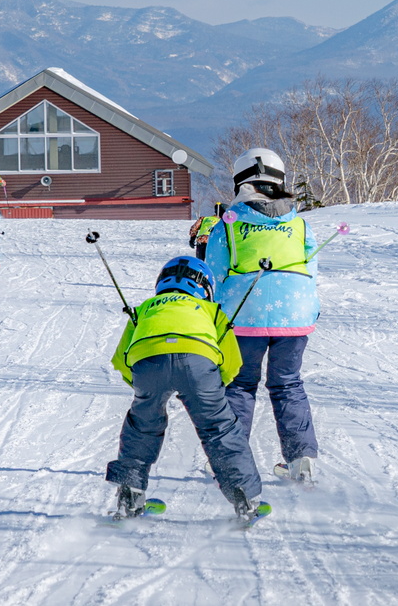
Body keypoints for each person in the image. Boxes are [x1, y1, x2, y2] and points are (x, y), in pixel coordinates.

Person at [105, 255, 268, 524]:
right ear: (204, 288)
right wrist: (215, 386)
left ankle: (130, 497)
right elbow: (232, 361)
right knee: (219, 427)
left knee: (142, 424)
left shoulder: (145, 308)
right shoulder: (210, 310)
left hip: (149, 361)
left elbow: (122, 359)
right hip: (199, 363)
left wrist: (140, 387)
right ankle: (245, 498)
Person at [204, 148, 320, 484]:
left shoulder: (228, 224)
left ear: (240, 182)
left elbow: (213, 275)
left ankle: (231, 464)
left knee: (240, 386)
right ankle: (302, 460)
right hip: (296, 317)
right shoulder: (299, 224)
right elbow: (311, 269)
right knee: (288, 385)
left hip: (244, 317)